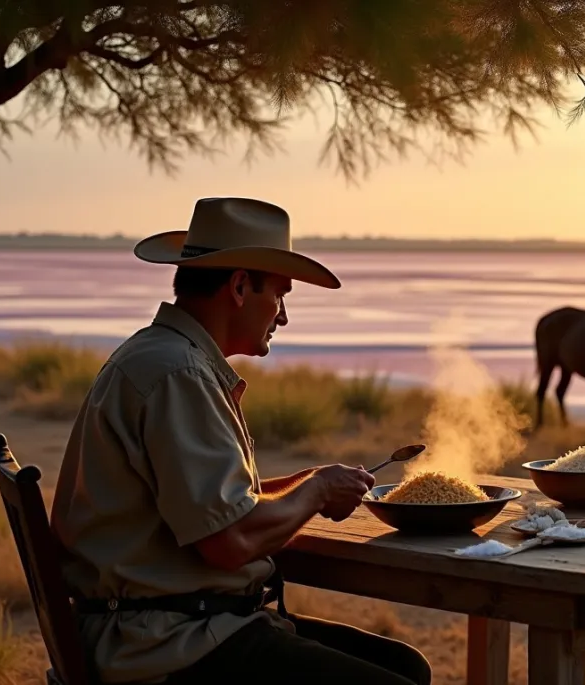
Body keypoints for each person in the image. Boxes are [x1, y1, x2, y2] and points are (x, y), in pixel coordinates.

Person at [50, 197, 432, 685]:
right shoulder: (179, 374)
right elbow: (229, 542)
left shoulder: (164, 356)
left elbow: (209, 508)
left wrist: (311, 482)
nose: (283, 316)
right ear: (238, 286)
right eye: (280, 295)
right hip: (169, 643)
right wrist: (314, 493)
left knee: (406, 667)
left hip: (178, 623)